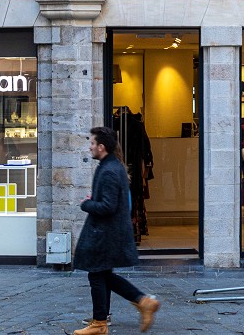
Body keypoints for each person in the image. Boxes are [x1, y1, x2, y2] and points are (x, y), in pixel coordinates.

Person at [71, 126, 161, 335]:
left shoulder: (110, 170)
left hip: (105, 234)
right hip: (107, 233)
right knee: (102, 275)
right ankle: (138, 304)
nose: (90, 147)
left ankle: (101, 323)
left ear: (101, 147)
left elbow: (108, 206)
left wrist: (87, 204)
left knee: (97, 275)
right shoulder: (109, 166)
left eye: (92, 143)